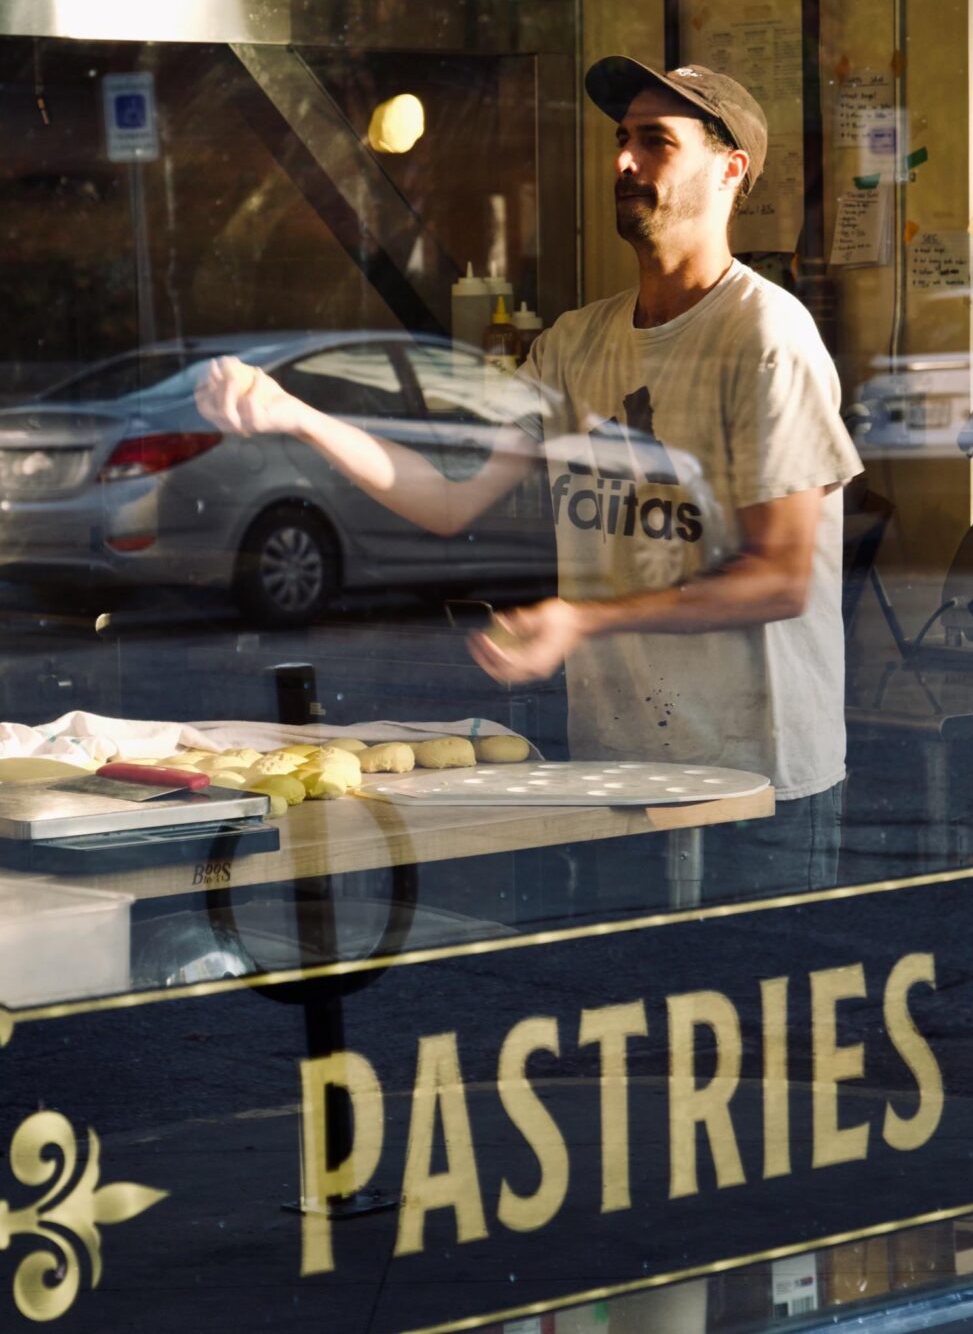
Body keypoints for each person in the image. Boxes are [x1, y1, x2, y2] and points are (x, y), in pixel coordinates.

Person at [196, 56, 862, 893]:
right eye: (621, 140)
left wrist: (580, 622)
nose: (622, 162)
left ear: (731, 170)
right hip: (613, 779)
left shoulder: (767, 336)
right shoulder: (575, 345)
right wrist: (295, 414)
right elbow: (446, 498)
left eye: (655, 142)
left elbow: (781, 578)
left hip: (755, 788)